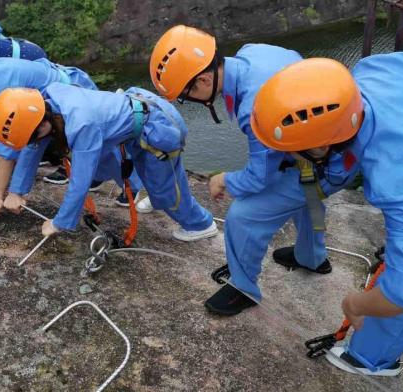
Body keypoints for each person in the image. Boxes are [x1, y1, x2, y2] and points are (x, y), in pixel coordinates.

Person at [249, 13, 403, 376]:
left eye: (296, 149)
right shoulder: (373, 72)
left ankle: (370, 360)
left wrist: (357, 301)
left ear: (323, 146)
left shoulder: (399, 182)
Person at [149, 25, 358, 315]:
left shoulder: (253, 104)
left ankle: (243, 288)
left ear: (204, 80)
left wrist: (225, 180)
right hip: (332, 147)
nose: (188, 102)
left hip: (325, 163)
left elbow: (260, 176)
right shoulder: (251, 53)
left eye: (186, 95)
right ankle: (312, 258)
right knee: (306, 199)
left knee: (243, 217)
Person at [0, 59, 139, 219]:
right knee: (84, 157)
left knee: (98, 148)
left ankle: (136, 185)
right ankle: (106, 176)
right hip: (39, 106)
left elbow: (9, 146)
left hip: (70, 93)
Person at [0, 85, 218, 241]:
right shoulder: (44, 102)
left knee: (167, 187)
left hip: (157, 128)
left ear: (42, 121)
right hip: (135, 123)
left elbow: (80, 181)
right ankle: (155, 196)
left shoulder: (81, 124)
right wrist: (17, 191)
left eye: (36, 135)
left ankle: (200, 225)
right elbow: (33, 146)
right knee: (144, 174)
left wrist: (59, 223)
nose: (37, 142)